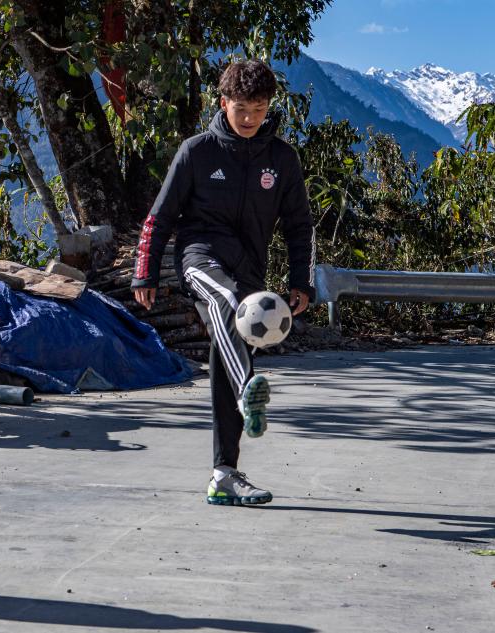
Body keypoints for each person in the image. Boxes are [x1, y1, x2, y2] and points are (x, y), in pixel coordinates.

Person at [132, 60, 315, 507]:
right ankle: (248, 387)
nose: (250, 117)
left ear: (269, 106)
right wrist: (146, 270)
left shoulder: (282, 159)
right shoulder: (197, 151)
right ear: (223, 104)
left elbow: (300, 226)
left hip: (250, 271)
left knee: (226, 351)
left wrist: (301, 283)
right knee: (228, 302)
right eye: (241, 108)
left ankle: (224, 475)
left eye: (258, 107)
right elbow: (161, 215)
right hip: (200, 258)